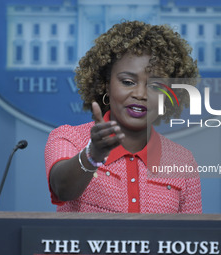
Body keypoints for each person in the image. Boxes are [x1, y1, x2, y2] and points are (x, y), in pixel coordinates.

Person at [45, 20, 202, 213]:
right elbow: (62, 190)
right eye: (128, 82)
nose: (140, 94)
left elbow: (192, 238)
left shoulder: (183, 161)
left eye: (155, 86)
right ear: (105, 84)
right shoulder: (68, 138)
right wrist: (93, 155)